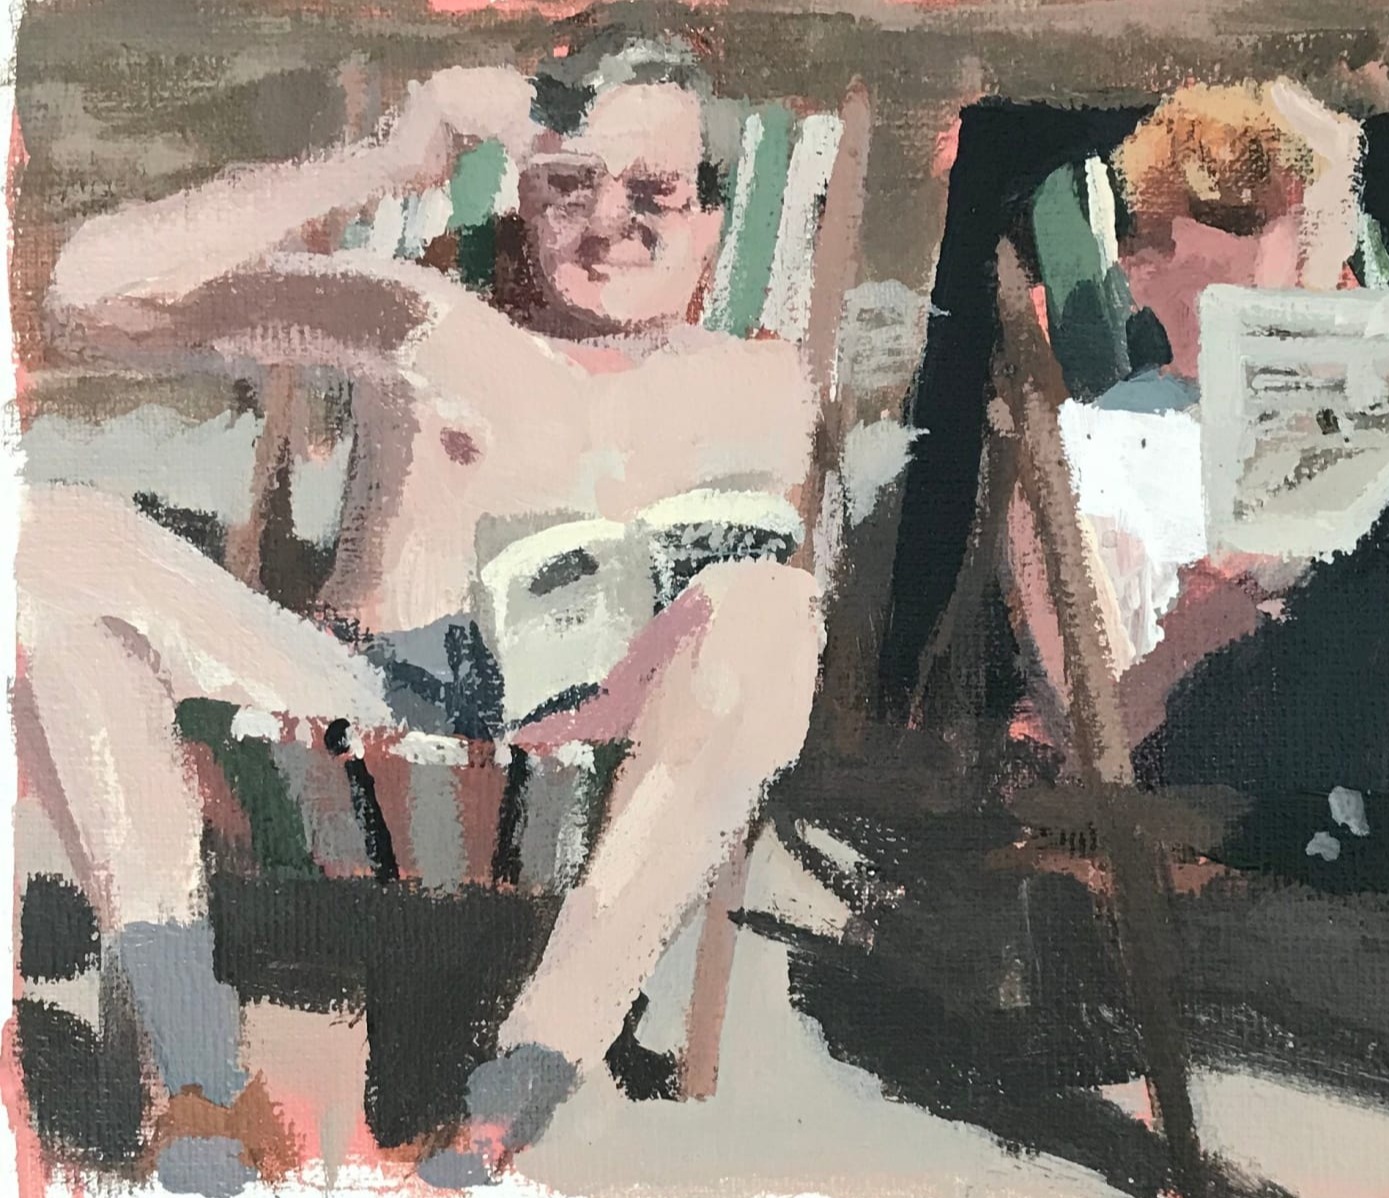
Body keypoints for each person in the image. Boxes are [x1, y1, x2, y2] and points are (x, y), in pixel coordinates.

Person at [20, 28, 824, 1189]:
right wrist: (387, 163)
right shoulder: (422, 321)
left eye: (651, 193)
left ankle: (507, 1108)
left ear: (708, 219)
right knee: (43, 538)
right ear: (524, 193)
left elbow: (737, 662)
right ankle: (198, 1078)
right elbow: (86, 293)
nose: (608, 222)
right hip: (361, 697)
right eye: (571, 186)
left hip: (598, 727)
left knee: (776, 612)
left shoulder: (763, 387)